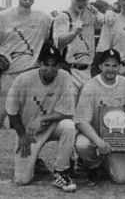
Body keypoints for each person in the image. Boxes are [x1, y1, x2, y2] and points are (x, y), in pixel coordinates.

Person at [5, 45, 76, 192]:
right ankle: (34, 161)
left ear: (59, 65)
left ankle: (61, 172)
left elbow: (68, 112)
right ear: (39, 63)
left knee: (69, 126)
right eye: (46, 64)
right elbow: (11, 111)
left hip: (52, 127)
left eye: (54, 65)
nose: (50, 69)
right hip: (29, 132)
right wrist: (22, 135)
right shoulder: (23, 79)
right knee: (22, 180)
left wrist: (42, 118)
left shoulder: (65, 76)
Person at [0, 0, 52, 175]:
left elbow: (58, 32)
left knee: (28, 120)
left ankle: (32, 158)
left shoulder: (43, 19)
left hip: (30, 76)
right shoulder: (4, 16)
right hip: (8, 75)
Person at [74, 49, 125, 185]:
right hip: (94, 134)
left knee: (122, 179)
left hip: (117, 136)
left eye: (114, 66)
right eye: (107, 65)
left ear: (119, 66)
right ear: (99, 66)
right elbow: (81, 121)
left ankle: (106, 161)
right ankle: (95, 165)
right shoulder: (90, 86)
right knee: (82, 145)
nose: (110, 69)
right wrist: (99, 142)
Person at [53, 0, 104, 105]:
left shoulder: (91, 14)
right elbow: (59, 41)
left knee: (85, 111)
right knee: (68, 111)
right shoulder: (63, 16)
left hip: (87, 70)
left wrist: (108, 12)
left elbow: (107, 22)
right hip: (69, 70)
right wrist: (74, 32)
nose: (81, 3)